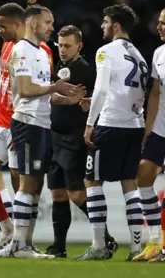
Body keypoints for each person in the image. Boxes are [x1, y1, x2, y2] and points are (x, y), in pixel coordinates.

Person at [0, 5, 82, 259]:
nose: (52, 27)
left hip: (40, 123)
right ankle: (19, 245)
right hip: (27, 124)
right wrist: (54, 87)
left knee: (34, 183)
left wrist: (66, 98)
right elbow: (26, 90)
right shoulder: (22, 51)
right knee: (28, 183)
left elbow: (42, 95)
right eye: (48, 22)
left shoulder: (40, 51)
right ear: (32, 23)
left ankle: (20, 244)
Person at [0, 0, 53, 257]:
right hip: (0, 121)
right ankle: (7, 229)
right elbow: (26, 20)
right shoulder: (10, 45)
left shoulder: (43, 51)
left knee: (24, 184)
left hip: (20, 122)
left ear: (17, 24)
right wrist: (29, 3)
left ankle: (23, 241)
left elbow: (38, 87)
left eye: (2, 25)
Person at [77, 4, 147, 261]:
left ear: (116, 25)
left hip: (109, 125)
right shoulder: (139, 55)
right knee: (130, 185)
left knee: (92, 181)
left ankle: (98, 246)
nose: (102, 26)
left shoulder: (106, 51)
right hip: (134, 125)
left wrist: (90, 122)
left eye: (106, 21)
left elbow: (102, 89)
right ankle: (137, 248)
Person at [44, 26, 117, 258]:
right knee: (58, 194)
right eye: (60, 45)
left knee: (76, 194)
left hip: (73, 136)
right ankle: (59, 247)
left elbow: (71, 97)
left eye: (67, 46)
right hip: (55, 135)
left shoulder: (81, 69)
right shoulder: (61, 67)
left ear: (79, 46)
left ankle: (105, 238)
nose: (62, 50)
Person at [134, 9, 165, 262]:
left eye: (164, 23)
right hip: (160, 129)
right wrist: (148, 127)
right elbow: (155, 93)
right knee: (143, 177)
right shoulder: (159, 53)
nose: (159, 27)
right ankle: (155, 242)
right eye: (159, 23)